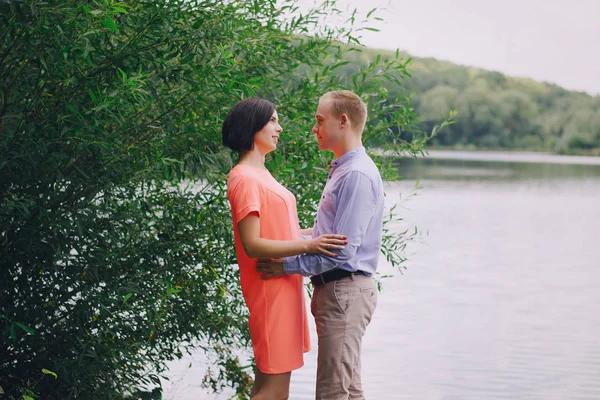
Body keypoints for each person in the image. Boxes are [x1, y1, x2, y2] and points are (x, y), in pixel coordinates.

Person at [257, 90, 384, 400]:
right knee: (348, 391)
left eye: (319, 121)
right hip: (341, 291)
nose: (314, 129)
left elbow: (340, 250)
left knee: (332, 393)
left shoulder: (355, 174)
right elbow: (322, 236)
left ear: (343, 121)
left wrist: (284, 266)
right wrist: (277, 243)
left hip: (345, 291)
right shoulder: (343, 169)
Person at [222, 97, 348, 400]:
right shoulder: (244, 178)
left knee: (269, 386)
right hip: (269, 289)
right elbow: (252, 244)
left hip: (283, 286)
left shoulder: (262, 173)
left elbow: (280, 230)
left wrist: (319, 234)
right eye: (273, 121)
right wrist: (310, 244)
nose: (280, 128)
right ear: (253, 127)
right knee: (275, 392)